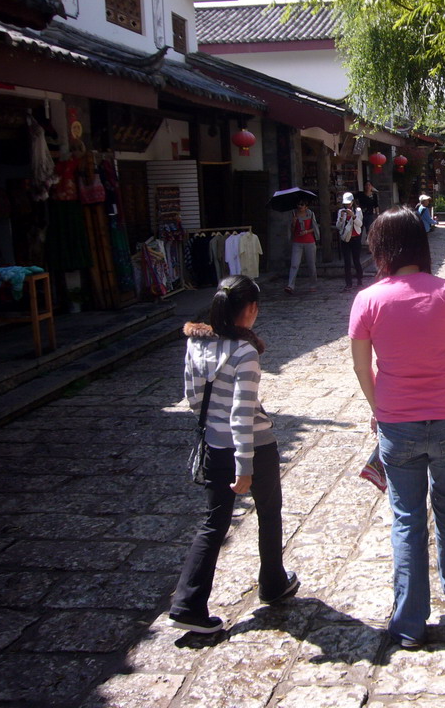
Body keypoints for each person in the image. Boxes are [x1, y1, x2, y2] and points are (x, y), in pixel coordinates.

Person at [349, 206, 445, 649]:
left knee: (407, 515)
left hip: (398, 422)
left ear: (380, 248)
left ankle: (410, 619)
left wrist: (380, 408)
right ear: (419, 243)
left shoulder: (368, 300)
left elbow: (361, 367)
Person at [171, 275, 299, 634]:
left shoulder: (195, 345)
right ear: (251, 309)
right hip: (254, 447)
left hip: (213, 445)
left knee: (213, 522)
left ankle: (188, 602)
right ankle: (272, 583)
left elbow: (193, 399)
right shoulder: (245, 352)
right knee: (269, 513)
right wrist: (244, 465)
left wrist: (214, 428)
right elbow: (242, 413)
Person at [284, 198, 320, 295]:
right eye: (299, 204)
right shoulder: (293, 214)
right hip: (297, 241)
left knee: (311, 264)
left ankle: (313, 284)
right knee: (294, 264)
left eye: (302, 204)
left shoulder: (310, 214)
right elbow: (291, 230)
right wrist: (294, 222)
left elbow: (315, 228)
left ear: (306, 206)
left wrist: (307, 231)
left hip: (309, 241)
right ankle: (290, 285)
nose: (300, 206)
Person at [336, 192, 364, 291]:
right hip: (345, 239)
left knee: (356, 260)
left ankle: (360, 279)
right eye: (346, 203)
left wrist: (353, 216)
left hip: (355, 238)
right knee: (347, 261)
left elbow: (360, 224)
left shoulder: (358, 210)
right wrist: (340, 219)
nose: (347, 205)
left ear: (352, 202)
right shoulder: (341, 211)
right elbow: (338, 227)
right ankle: (348, 283)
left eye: (349, 203)